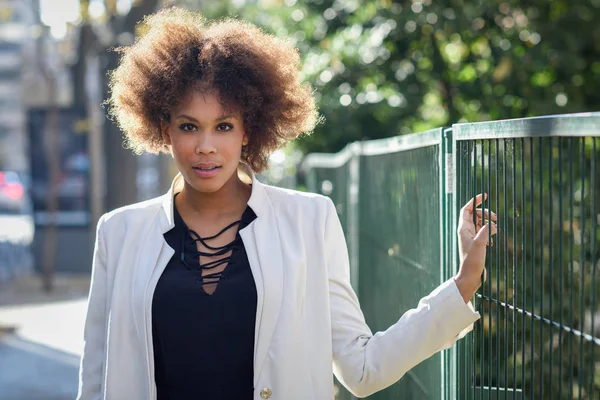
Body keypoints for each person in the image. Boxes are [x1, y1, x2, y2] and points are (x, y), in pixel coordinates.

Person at [77, 7, 497, 400]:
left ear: (248, 131)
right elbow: (96, 380)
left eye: (223, 126)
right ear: (164, 130)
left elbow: (362, 369)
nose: (206, 147)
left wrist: (463, 284)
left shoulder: (309, 220)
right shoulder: (119, 233)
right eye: (189, 126)